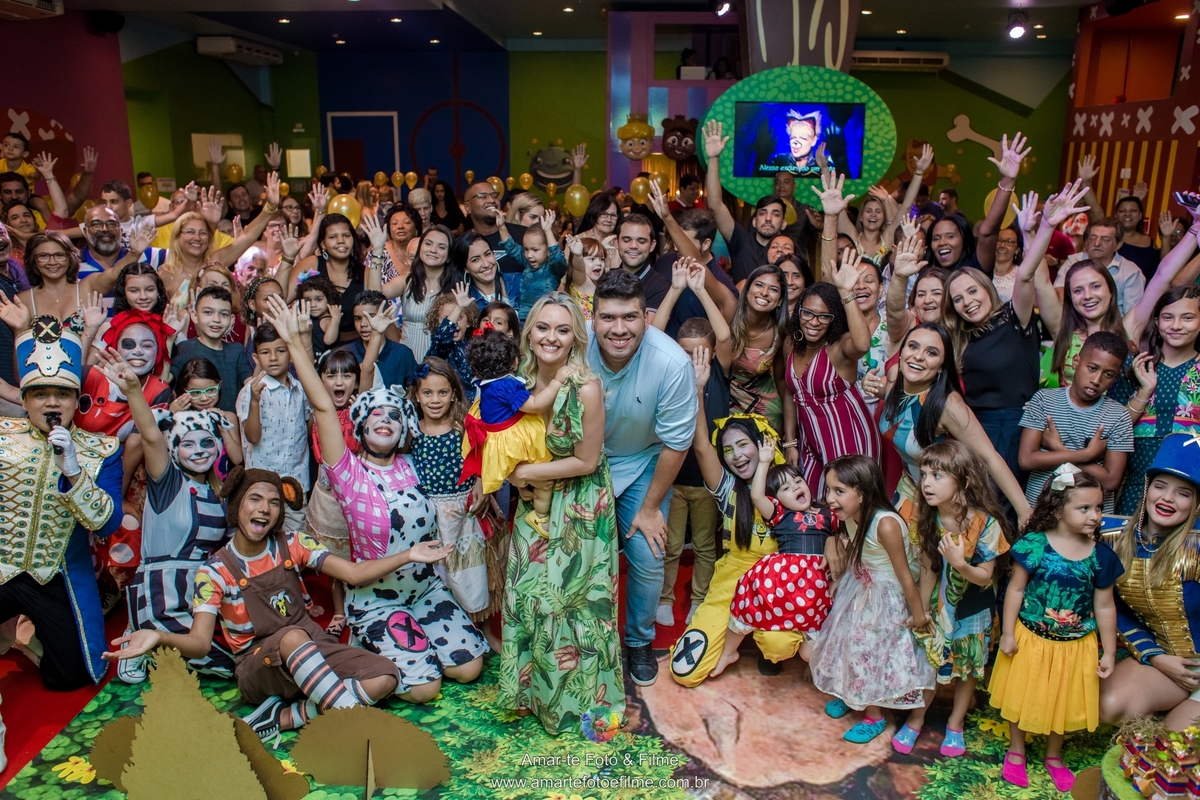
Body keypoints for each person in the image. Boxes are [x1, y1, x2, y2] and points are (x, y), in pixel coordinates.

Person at [105, 465, 436, 740]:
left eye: (274, 502)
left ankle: (283, 718)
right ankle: (358, 729)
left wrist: (409, 554)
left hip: (311, 648)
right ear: (237, 505)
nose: (264, 508)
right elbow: (199, 644)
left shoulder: (293, 543)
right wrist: (158, 636)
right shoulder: (215, 571)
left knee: (385, 676)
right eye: (255, 499)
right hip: (258, 667)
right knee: (293, 637)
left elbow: (353, 573)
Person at [264, 297, 487, 704]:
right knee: (425, 689)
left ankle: (421, 645)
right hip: (377, 599)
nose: (385, 420)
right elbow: (323, 409)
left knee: (469, 669)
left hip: (425, 591)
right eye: (375, 416)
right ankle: (375, 641)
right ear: (362, 426)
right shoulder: (348, 473)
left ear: (403, 428)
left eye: (394, 416)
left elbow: (455, 454)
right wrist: (296, 344)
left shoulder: (412, 462)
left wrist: (478, 488)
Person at [498, 293, 625, 734]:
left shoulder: (585, 386)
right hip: (535, 500)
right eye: (543, 327)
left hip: (580, 504)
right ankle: (538, 697)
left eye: (562, 329)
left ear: (575, 338)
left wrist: (525, 471)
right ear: (529, 332)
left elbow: (587, 461)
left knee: (574, 604)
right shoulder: (517, 382)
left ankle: (585, 708)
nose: (551, 337)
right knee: (528, 594)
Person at [94, 347, 236, 685]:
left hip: (203, 596)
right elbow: (151, 435)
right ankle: (143, 631)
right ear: (175, 449)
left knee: (242, 654)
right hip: (163, 592)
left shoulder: (220, 492)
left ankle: (152, 640)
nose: (200, 449)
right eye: (188, 443)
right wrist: (132, 390)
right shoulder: (168, 479)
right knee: (223, 665)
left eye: (207, 442)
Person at [0, 319, 121, 698]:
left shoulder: (101, 451)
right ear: (24, 399)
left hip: (54, 575)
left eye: (62, 394)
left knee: (69, 676)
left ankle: (30, 638)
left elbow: (106, 524)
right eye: (41, 393)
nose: (52, 402)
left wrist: (73, 469)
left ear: (76, 399)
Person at [588, 269, 697, 686]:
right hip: (585, 465)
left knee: (649, 558)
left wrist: (650, 507)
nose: (619, 329)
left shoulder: (671, 363)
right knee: (585, 557)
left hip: (644, 462)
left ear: (646, 318)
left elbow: (676, 444)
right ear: (593, 318)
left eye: (630, 318)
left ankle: (637, 641)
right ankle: (588, 642)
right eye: (609, 318)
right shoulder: (572, 346)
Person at [944, 183, 1089, 485]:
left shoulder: (1014, 318)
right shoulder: (960, 337)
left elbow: (1025, 275)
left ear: (987, 289)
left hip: (1015, 426)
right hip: (974, 426)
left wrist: (1043, 227)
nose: (967, 301)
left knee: (1008, 503)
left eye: (972, 291)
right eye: (958, 299)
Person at [988, 465, 1121, 791]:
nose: (1095, 516)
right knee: (1024, 695)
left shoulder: (1100, 556)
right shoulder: (1034, 546)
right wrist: (1007, 633)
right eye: (1084, 508)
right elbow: (1015, 590)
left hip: (1076, 645)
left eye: (1099, 508)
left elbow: (1104, 605)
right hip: (1031, 639)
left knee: (1061, 699)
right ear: (1058, 509)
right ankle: (1017, 750)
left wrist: (1110, 650)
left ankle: (1053, 754)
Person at [809, 455, 935, 745]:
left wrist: (918, 616)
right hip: (863, 585)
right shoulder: (851, 516)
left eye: (839, 491)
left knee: (870, 651)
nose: (830, 498)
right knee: (846, 641)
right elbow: (857, 547)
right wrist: (843, 578)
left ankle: (874, 714)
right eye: (829, 490)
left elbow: (905, 576)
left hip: (887, 596)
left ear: (863, 493)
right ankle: (851, 694)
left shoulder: (886, 524)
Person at [902, 442, 1012, 757]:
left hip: (973, 608)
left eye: (937, 475)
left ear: (963, 480)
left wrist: (962, 563)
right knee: (930, 660)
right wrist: (921, 610)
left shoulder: (986, 523)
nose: (926, 483)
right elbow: (927, 568)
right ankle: (916, 717)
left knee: (967, 670)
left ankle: (955, 724)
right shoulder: (926, 516)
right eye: (924, 474)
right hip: (940, 604)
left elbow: (985, 576)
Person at [1099, 432, 1200, 731]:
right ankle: (1169, 705)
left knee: (1175, 750)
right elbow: (1113, 610)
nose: (1167, 498)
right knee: (1109, 706)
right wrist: (1154, 657)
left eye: (1183, 492)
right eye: (1160, 486)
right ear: (1147, 489)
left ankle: (1179, 716)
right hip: (1165, 664)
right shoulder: (1113, 540)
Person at [710, 436, 835, 677]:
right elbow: (757, 497)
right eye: (786, 488)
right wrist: (765, 461)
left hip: (816, 588)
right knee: (746, 609)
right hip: (781, 585)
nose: (796, 487)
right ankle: (729, 652)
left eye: (798, 481)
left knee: (811, 651)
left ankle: (812, 662)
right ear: (777, 500)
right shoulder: (780, 514)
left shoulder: (828, 512)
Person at [780, 246, 881, 497]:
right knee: (816, 507)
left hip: (850, 442)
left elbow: (862, 344)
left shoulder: (839, 348)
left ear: (834, 317)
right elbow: (791, 394)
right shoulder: (791, 343)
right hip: (810, 443)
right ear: (798, 312)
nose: (813, 322)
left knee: (851, 512)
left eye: (823, 316)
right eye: (808, 313)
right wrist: (790, 442)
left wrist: (846, 292)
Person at [656, 293, 730, 628]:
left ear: (714, 353)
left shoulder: (718, 374)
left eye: (701, 352)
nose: (693, 359)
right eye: (686, 352)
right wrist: (674, 291)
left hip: (705, 482)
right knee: (669, 546)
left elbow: (725, 335)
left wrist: (701, 289)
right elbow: (653, 335)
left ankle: (700, 597)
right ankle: (664, 597)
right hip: (672, 480)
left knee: (703, 544)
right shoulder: (670, 375)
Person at [406, 358, 491, 618]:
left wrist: (480, 485)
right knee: (437, 575)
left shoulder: (462, 427)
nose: (435, 399)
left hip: (462, 514)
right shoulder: (412, 431)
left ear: (454, 394)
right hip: (429, 517)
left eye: (442, 392)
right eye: (427, 393)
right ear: (417, 396)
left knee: (470, 575)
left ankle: (482, 628)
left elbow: (481, 459)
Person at [463, 327, 568, 534]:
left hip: (496, 439)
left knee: (524, 471)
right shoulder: (505, 386)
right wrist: (557, 381)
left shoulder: (486, 384)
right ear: (514, 363)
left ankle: (524, 490)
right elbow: (536, 405)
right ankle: (540, 516)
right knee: (545, 476)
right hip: (510, 442)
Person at [1019, 331, 1134, 512]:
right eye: (1092, 368)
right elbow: (1026, 459)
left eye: (1108, 374)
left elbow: (1111, 481)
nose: (1097, 380)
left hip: (1090, 519)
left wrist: (1059, 449)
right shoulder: (1044, 400)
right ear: (1076, 362)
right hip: (1042, 512)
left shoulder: (1118, 415)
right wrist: (1086, 455)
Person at [1111, 286, 1200, 514]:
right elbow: (1114, 428)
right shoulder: (1134, 366)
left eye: (1187, 318)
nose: (1176, 325)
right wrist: (1145, 389)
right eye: (1168, 317)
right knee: (1130, 545)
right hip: (1137, 483)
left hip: (1191, 485)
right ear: (1157, 321)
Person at [237, 322, 312, 533]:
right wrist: (254, 401)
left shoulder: (300, 388)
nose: (273, 357)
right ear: (255, 358)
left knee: (294, 541)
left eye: (280, 351)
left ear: (290, 354)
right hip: (262, 484)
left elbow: (308, 428)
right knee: (261, 536)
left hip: (296, 483)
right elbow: (252, 437)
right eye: (265, 352)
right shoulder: (249, 392)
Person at [703, 120, 787, 283]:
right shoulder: (741, 240)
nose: (768, 218)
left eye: (775, 214)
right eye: (763, 213)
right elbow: (715, 205)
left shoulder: (789, 250)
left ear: (783, 223)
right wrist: (713, 158)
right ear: (754, 221)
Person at [173, 286, 253, 413]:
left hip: (230, 426)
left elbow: (252, 385)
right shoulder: (185, 349)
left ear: (231, 320)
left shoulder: (236, 351)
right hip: (194, 426)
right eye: (208, 312)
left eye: (224, 314)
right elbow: (165, 381)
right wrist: (169, 338)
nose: (216, 319)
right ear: (194, 315)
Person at [381, 224, 454, 362]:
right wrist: (378, 251)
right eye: (428, 243)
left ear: (449, 256)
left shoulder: (456, 288)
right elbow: (374, 295)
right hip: (406, 361)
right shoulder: (406, 282)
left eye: (441, 247)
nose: (433, 250)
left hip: (440, 365)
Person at [1053, 217, 1146, 315]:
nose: (1097, 244)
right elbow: (1058, 291)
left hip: (1114, 328)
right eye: (1092, 238)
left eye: (1105, 240)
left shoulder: (1131, 272)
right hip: (1075, 324)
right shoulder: (1073, 262)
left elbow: (1134, 316)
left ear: (1118, 245)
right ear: (1086, 242)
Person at [493, 207, 566, 322]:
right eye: (526, 249)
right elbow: (511, 247)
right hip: (524, 318)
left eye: (535, 250)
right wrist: (502, 227)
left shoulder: (552, 269)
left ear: (548, 250)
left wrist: (547, 231)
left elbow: (558, 258)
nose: (529, 255)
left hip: (544, 318)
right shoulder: (527, 263)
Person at [347, 292, 418, 391]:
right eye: (357, 319)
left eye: (371, 317)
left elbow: (414, 389)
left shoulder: (403, 353)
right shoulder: (346, 353)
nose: (363, 324)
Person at [427, 283, 480, 399]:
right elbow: (443, 336)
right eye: (447, 318)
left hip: (473, 406)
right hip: (448, 404)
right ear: (437, 324)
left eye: (459, 317)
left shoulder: (475, 346)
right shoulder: (439, 345)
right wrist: (459, 308)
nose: (454, 323)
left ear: (469, 321)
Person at [297, 275, 342, 359]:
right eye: (307, 300)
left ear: (329, 299)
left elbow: (329, 341)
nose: (313, 305)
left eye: (318, 300)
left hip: (326, 365)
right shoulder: (307, 320)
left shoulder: (328, 320)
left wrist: (335, 319)